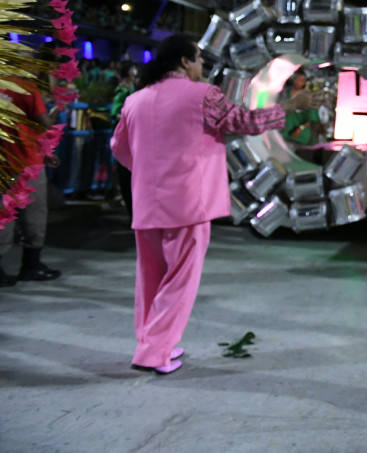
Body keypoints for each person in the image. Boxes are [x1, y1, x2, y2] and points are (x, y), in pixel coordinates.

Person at [110, 34, 318, 374]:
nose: (203, 67)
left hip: (147, 203)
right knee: (179, 281)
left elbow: (119, 148)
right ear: (184, 62)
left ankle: (152, 343)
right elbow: (245, 122)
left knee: (151, 278)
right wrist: (291, 107)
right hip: (189, 203)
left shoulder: (135, 100)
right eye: (199, 60)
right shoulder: (204, 95)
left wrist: (151, 171)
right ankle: (153, 353)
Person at [0, 74, 60, 286]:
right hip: (26, 163)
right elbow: (43, 123)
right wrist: (57, 110)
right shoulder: (24, 85)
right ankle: (31, 266)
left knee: (4, 216)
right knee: (33, 216)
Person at [110, 61, 138, 213]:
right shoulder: (122, 90)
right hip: (124, 135)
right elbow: (115, 112)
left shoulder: (132, 88)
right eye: (133, 68)